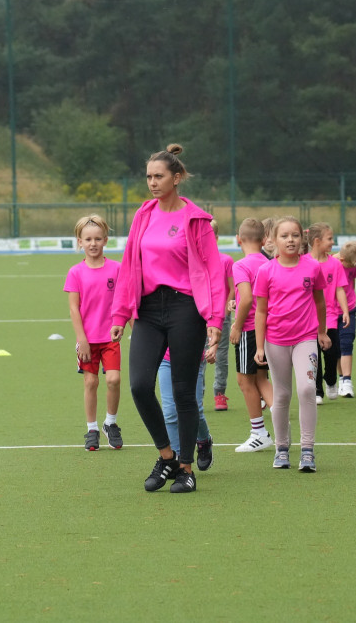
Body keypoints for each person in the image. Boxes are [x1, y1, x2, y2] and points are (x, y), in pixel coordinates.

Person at [110, 144, 225, 494]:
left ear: (176, 178)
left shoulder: (197, 220)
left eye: (158, 176)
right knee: (139, 386)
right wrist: (120, 312)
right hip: (147, 308)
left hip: (185, 308)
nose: (152, 183)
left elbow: (213, 270)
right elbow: (130, 263)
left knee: (182, 392)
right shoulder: (143, 215)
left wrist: (215, 318)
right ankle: (167, 456)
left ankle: (186, 468)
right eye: (148, 176)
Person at [253, 216, 329, 473]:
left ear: (302, 238)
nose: (290, 240)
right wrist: (260, 346)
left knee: (307, 388)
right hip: (275, 341)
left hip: (305, 338)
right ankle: (281, 448)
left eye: (295, 235)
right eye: (284, 236)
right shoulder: (266, 271)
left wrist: (322, 331)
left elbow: (319, 302)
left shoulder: (312, 268)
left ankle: (307, 450)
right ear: (272, 241)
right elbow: (261, 311)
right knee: (282, 394)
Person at [64, 214, 123, 451]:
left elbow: (123, 302)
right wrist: (82, 340)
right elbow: (73, 309)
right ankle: (92, 429)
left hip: (110, 339)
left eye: (98, 238)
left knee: (114, 379)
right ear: (79, 242)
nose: (93, 243)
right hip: (88, 340)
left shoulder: (117, 269)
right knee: (90, 382)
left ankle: (111, 423)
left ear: (106, 240)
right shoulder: (75, 272)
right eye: (87, 239)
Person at [229, 218, 275, 452]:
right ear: (264, 240)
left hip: (248, 328)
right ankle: (279, 426)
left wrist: (236, 325)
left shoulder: (241, 265)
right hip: (269, 328)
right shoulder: (269, 262)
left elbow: (247, 299)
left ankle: (258, 432)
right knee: (261, 379)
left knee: (244, 381)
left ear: (238, 239)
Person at [307, 222, 350, 404]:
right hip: (309, 319)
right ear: (317, 241)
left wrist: (346, 310)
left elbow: (340, 289)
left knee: (332, 354)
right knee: (313, 356)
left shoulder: (335, 264)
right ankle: (317, 391)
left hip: (330, 317)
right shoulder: (305, 263)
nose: (333, 242)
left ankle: (331, 380)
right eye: (330, 238)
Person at [157, 349, 213, 470]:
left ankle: (204, 441)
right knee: (170, 413)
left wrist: (214, 346)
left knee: (195, 410)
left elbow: (212, 329)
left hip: (192, 359)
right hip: (165, 359)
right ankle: (177, 458)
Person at [209, 219, 235, 412]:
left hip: (221, 317)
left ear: (216, 238)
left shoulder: (226, 260)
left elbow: (233, 287)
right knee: (198, 356)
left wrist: (226, 308)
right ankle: (196, 395)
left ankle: (220, 394)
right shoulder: (193, 260)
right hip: (199, 316)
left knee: (221, 355)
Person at [336, 241, 356, 397]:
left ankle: (347, 381)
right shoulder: (333, 264)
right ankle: (340, 378)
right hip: (332, 311)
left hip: (350, 308)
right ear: (341, 259)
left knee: (347, 343)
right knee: (336, 348)